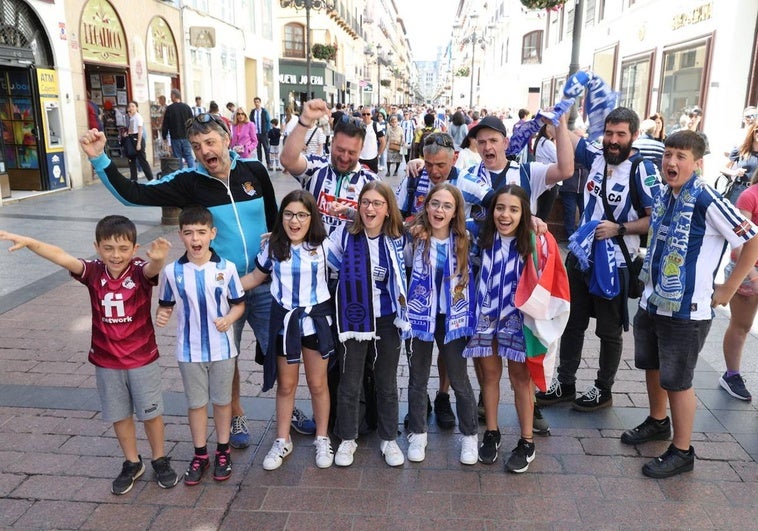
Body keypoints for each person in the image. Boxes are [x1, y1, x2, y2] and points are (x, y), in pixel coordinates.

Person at [80, 112, 278, 450]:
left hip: (263, 282)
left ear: (227, 140)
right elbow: (133, 195)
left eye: (211, 142)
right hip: (221, 289)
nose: (204, 151)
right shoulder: (189, 181)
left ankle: (286, 413)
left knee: (281, 352)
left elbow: (273, 219)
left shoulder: (255, 172)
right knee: (224, 359)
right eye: (197, 146)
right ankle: (236, 413)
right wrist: (100, 157)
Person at [0, 218, 178, 495]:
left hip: (142, 358)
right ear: (97, 247)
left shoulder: (141, 269)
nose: (115, 255)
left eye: (122, 248)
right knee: (119, 415)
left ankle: (159, 458)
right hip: (107, 361)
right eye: (108, 248)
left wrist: (159, 260)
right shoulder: (94, 272)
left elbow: (152, 270)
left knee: (151, 414)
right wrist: (31, 243)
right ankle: (132, 462)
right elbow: (62, 257)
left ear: (134, 248)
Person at [621, 130, 758, 478]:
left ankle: (683, 451)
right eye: (668, 154)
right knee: (652, 366)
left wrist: (729, 286)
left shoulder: (706, 198)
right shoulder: (666, 195)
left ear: (697, 163)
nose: (671, 162)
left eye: (681, 156)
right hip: (654, 302)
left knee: (678, 380)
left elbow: (751, 237)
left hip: (687, 311)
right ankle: (657, 421)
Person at [536, 107, 660, 412]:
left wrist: (620, 228)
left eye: (620, 134)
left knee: (608, 329)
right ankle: (565, 383)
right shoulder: (595, 157)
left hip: (616, 263)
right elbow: (569, 142)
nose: (613, 140)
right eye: (609, 133)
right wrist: (559, 122)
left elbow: (655, 220)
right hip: (581, 257)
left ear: (634, 136)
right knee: (572, 322)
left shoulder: (642, 170)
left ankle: (604, 389)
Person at [463, 185, 569, 469]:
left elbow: (552, 280)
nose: (505, 215)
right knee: (489, 376)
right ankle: (492, 432)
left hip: (519, 321)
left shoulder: (536, 241)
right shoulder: (478, 233)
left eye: (513, 209)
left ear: (525, 213)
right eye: (500, 208)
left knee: (521, 381)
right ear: (491, 210)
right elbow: (455, 195)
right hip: (486, 317)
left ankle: (526, 441)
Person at [241, 190, 335, 470]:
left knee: (318, 384)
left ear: (312, 218)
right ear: (281, 217)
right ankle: (283, 439)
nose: (295, 221)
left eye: (302, 215)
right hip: (285, 325)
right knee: (286, 385)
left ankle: (321, 437)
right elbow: (256, 277)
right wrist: (220, 285)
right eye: (289, 214)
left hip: (316, 322)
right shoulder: (273, 248)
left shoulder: (326, 246)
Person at [156, 206, 245, 485]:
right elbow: (166, 304)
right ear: (181, 235)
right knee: (196, 404)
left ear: (212, 234)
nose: (196, 238)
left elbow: (239, 303)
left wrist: (229, 318)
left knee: (222, 401)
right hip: (189, 350)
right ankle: (200, 454)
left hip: (222, 349)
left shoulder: (226, 268)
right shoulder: (172, 272)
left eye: (201, 232)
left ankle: (222, 450)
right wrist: (162, 314)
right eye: (189, 233)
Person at [327, 181, 410, 467]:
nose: (369, 208)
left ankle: (389, 439)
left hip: (388, 319)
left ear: (388, 209)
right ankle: (348, 438)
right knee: (350, 382)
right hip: (353, 318)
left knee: (386, 382)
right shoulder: (346, 236)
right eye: (365, 202)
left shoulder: (399, 239)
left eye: (377, 203)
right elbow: (322, 257)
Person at [405, 183, 479, 464]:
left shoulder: (464, 239)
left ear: (455, 211)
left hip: (453, 319)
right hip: (420, 316)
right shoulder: (414, 237)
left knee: (459, 379)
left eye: (447, 206)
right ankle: (418, 433)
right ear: (427, 206)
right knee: (417, 378)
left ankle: (470, 437)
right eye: (435, 204)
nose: (440, 210)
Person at [281, 98, 377, 235]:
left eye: (351, 152)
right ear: (331, 143)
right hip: (313, 252)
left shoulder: (370, 182)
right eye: (340, 150)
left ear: (361, 149)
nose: (344, 157)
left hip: (350, 255)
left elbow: (383, 224)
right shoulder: (316, 166)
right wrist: (305, 120)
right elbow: (287, 160)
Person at [720, 165, 758, 401]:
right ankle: (731, 375)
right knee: (741, 325)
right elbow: (739, 242)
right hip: (747, 269)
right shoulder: (749, 195)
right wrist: (752, 273)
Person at [161, 89, 195, 168]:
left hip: (175, 137)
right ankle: (193, 173)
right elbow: (192, 122)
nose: (170, 97)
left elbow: (165, 124)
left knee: (178, 158)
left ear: (173, 96)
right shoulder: (187, 107)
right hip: (186, 136)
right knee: (189, 156)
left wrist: (164, 136)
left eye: (171, 95)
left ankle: (181, 175)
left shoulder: (170, 108)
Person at [124, 101, 154, 182]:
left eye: (133, 106)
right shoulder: (132, 117)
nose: (131, 108)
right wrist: (127, 134)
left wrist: (139, 143)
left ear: (137, 108)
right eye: (130, 106)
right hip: (131, 138)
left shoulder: (138, 117)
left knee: (142, 160)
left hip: (137, 139)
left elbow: (140, 130)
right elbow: (131, 130)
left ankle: (151, 178)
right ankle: (133, 178)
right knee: (131, 159)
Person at [358, 109, 385, 174]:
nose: (366, 116)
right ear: (361, 116)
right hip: (360, 158)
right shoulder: (358, 125)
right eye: (364, 114)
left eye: (368, 114)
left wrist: (378, 154)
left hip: (372, 158)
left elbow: (383, 142)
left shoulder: (376, 125)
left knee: (373, 181)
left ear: (371, 115)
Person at [251, 97, 272, 170]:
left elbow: (268, 121)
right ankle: (260, 163)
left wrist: (267, 131)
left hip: (263, 133)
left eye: (258, 102)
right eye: (255, 102)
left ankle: (268, 163)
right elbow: (250, 122)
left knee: (266, 148)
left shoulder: (264, 111)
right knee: (258, 149)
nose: (256, 103)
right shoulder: (253, 112)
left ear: (260, 102)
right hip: (256, 134)